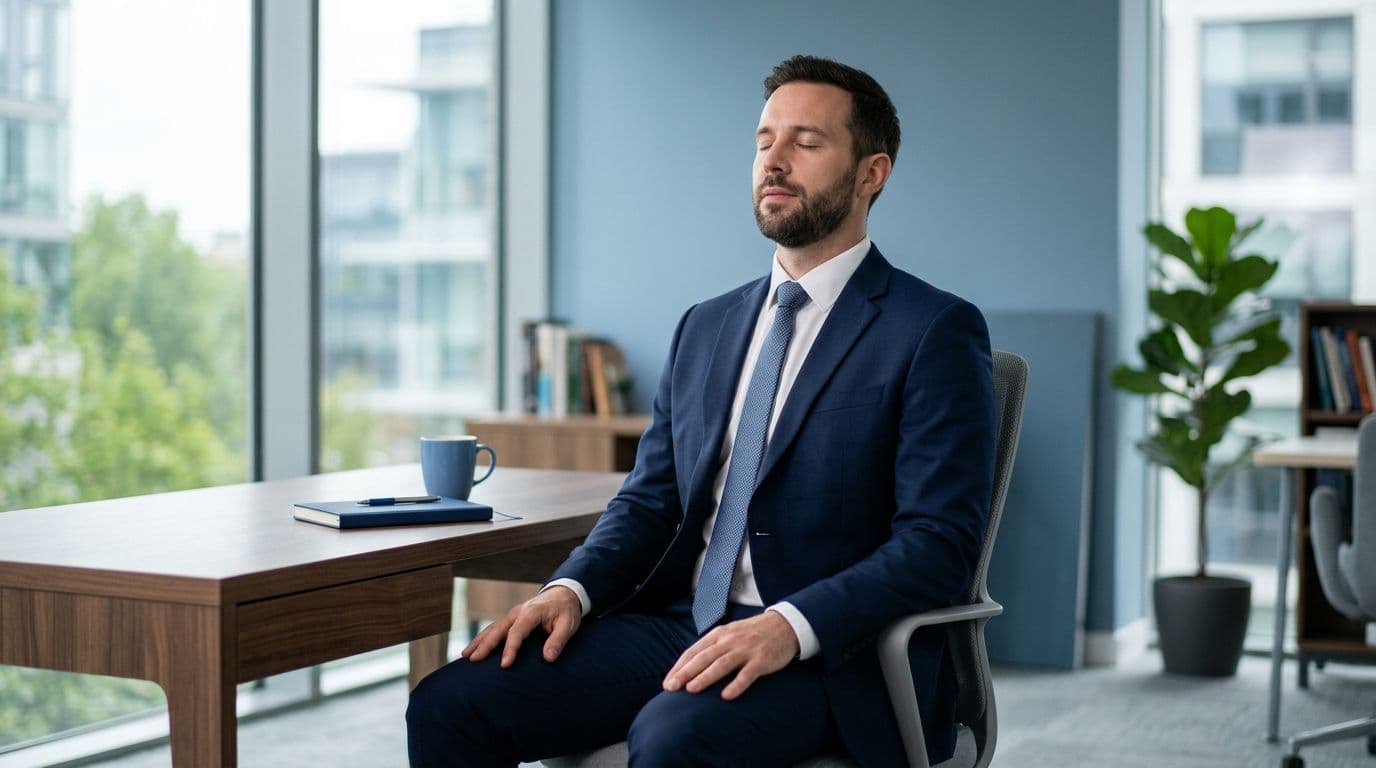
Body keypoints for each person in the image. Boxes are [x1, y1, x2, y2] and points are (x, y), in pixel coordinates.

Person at [407, 54, 995, 768]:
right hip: (678, 622)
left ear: (872, 174)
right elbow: (649, 501)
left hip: (830, 654)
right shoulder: (705, 327)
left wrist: (788, 625)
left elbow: (939, 542)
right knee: (450, 703)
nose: (773, 161)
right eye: (763, 140)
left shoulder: (931, 328)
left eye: (806, 142)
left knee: (673, 738)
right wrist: (572, 587)